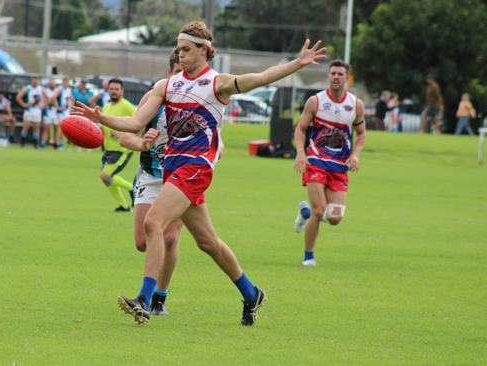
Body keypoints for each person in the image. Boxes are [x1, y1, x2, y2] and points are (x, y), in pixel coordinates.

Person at [72, 21, 326, 325]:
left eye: (186, 49)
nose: (180, 55)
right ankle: (251, 293)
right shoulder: (167, 86)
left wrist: (297, 63)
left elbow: (259, 79)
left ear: (204, 50)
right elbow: (135, 121)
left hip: (196, 168)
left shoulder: (217, 84)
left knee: (154, 223)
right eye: (178, 50)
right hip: (173, 169)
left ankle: (145, 298)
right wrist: (101, 118)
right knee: (208, 243)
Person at [118, 49, 184, 315]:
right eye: (178, 73)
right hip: (149, 174)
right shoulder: (154, 98)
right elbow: (126, 137)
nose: (183, 80)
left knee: (170, 237)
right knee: (142, 242)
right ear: (169, 74)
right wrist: (142, 143)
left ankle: (158, 299)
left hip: (180, 178)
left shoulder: (197, 102)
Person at [292, 60, 366, 267]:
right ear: (328, 76)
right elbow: (300, 129)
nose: (336, 77)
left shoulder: (355, 104)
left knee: (334, 218)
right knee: (319, 211)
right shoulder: (315, 101)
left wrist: (356, 155)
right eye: (333, 73)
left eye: (340, 74)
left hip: (339, 166)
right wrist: (300, 152)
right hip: (316, 161)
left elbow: (361, 135)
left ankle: (304, 212)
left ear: (346, 78)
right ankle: (309, 256)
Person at [98, 78, 136, 212]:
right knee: (106, 179)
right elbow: (103, 126)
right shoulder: (106, 106)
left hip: (122, 150)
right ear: (107, 91)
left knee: (105, 176)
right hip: (108, 149)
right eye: (111, 89)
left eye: (116, 89)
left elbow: (139, 124)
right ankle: (124, 206)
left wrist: (122, 133)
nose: (114, 92)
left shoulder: (127, 106)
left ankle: (132, 188)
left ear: (122, 91)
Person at [16, 77, 46, 148]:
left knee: (36, 128)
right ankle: (22, 144)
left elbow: (48, 97)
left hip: (37, 111)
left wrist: (43, 105)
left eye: (36, 81)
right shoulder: (27, 88)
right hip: (29, 110)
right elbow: (18, 97)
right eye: (33, 81)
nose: (35, 82)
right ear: (31, 81)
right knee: (26, 126)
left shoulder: (41, 89)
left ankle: (35, 145)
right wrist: (24, 104)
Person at [52, 76, 74, 148]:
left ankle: (60, 143)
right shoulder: (59, 89)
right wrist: (57, 107)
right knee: (57, 127)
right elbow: (53, 98)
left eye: (67, 82)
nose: (66, 83)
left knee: (63, 127)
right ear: (63, 82)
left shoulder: (69, 90)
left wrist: (71, 108)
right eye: (65, 82)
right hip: (59, 111)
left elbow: (71, 99)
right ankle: (56, 142)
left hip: (66, 111)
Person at [41, 78, 59, 148]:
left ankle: (56, 143)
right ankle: (43, 143)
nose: (51, 84)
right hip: (47, 112)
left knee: (55, 129)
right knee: (46, 129)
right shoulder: (46, 91)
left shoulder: (57, 90)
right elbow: (47, 101)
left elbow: (54, 101)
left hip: (55, 112)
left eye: (53, 83)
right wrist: (50, 101)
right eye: (50, 83)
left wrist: (51, 101)